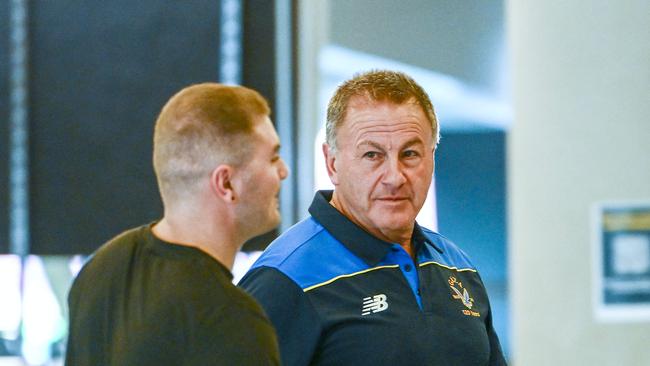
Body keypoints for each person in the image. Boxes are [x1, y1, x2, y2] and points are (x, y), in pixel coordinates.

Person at [239, 70, 507, 365]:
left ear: (432, 158)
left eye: (410, 154)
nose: (394, 177)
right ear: (332, 163)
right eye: (372, 155)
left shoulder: (456, 265)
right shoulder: (285, 278)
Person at [65, 83, 287, 365]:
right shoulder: (232, 321)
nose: (283, 171)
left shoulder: (100, 269)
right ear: (227, 183)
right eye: (273, 158)